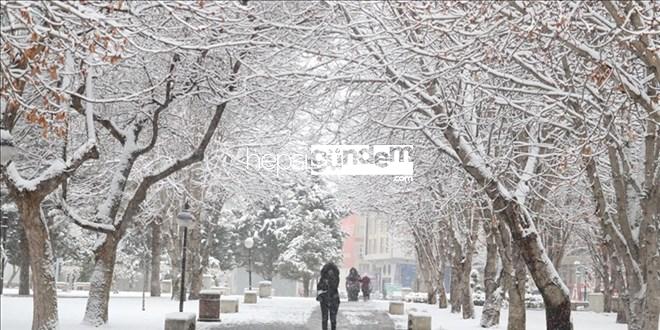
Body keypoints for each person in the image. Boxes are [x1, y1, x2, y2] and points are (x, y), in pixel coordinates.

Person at [317, 262, 340, 330]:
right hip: (324, 299)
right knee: (325, 317)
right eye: (329, 270)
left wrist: (327, 283)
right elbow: (319, 287)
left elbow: (334, 286)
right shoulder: (322, 278)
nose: (330, 272)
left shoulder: (336, 278)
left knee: (333, 318)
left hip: (334, 298)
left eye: (331, 270)